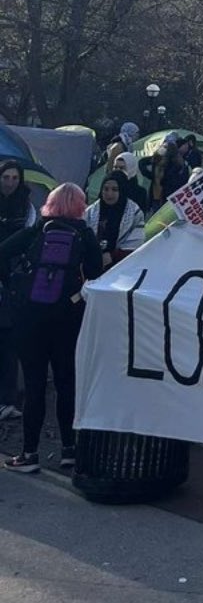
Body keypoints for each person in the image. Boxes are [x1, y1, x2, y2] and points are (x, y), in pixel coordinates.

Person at [0, 183, 102, 473]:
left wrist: (15, 284)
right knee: (65, 383)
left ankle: (29, 454)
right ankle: (69, 449)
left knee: (34, 386)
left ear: (51, 203)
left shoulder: (38, 230)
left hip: (31, 315)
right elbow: (95, 273)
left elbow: (2, 252)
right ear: (81, 207)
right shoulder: (84, 233)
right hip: (67, 315)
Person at [0, 161, 35, 423]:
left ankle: (9, 397)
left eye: (14, 178)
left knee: (8, 340)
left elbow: (28, 242)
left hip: (13, 281)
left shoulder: (27, 208)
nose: (9, 182)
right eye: (5, 177)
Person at [83, 172, 145, 269]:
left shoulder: (134, 213)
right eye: (106, 189)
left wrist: (113, 256)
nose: (109, 194)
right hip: (93, 267)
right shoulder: (91, 211)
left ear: (122, 190)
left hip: (122, 267)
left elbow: (135, 244)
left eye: (114, 190)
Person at [138, 137, 189, 216]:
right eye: (162, 146)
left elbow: (178, 182)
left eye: (165, 147)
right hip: (154, 198)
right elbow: (142, 162)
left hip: (167, 201)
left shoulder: (177, 166)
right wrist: (149, 172)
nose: (161, 148)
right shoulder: (157, 161)